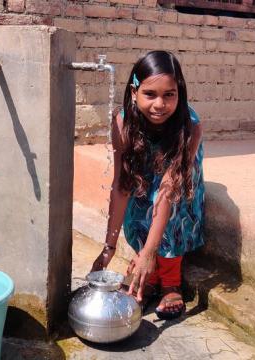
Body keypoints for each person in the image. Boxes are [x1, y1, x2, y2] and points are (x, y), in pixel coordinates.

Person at [91, 50, 205, 320]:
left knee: (172, 206)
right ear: (134, 93)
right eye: (150, 94)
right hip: (145, 168)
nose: (160, 104)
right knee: (138, 198)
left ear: (180, 93)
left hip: (177, 181)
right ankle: (148, 273)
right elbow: (121, 186)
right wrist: (109, 247)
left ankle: (169, 281)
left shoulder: (190, 127)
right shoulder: (122, 124)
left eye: (169, 95)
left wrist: (151, 251)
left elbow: (166, 194)